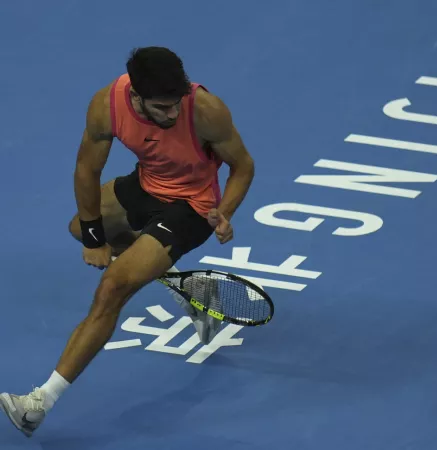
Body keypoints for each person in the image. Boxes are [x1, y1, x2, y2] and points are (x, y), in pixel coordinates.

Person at [0, 46, 255, 438]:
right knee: (79, 228)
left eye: (176, 104)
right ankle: (191, 289)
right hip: (146, 186)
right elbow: (87, 167)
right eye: (161, 107)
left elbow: (243, 165)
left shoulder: (205, 110)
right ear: (136, 96)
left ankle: (38, 403)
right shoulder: (107, 104)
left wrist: (226, 212)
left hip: (192, 206)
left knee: (113, 287)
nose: (172, 114)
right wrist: (92, 239)